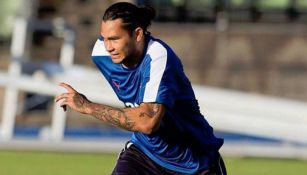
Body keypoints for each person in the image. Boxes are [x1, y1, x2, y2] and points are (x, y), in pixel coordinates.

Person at [55, 2, 226, 175]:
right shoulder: (101, 55)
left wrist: (87, 106)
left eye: (114, 39)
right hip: (144, 155)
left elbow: (147, 122)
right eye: (104, 38)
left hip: (195, 163)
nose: (108, 47)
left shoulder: (158, 57)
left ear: (137, 34)